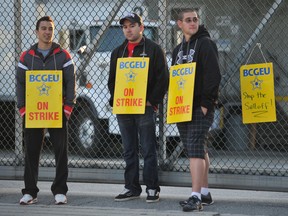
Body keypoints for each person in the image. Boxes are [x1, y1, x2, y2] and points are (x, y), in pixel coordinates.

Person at [108, 13, 169, 203]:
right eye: (125, 27)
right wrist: (116, 98)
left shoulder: (153, 49)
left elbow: (163, 78)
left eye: (132, 25)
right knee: (129, 149)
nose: (128, 29)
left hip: (145, 108)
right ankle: (131, 188)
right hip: (124, 107)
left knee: (148, 148)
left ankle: (152, 188)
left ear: (141, 28)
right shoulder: (118, 52)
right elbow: (112, 80)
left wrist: (152, 100)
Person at [16, 16, 76, 205]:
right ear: (37, 31)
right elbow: (20, 84)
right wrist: (23, 108)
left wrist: (67, 108)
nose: (47, 32)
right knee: (31, 152)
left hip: (57, 112)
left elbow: (70, 83)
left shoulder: (63, 55)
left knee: (61, 152)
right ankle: (30, 192)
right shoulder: (26, 56)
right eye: (43, 28)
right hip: (34, 112)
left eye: (50, 28)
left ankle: (59, 190)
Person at [171, 9, 221, 212]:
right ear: (179, 24)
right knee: (198, 149)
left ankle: (195, 196)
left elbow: (213, 75)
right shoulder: (177, 50)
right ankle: (205, 193)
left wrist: (206, 103)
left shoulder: (206, 44)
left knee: (194, 148)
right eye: (188, 20)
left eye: (195, 20)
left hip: (200, 105)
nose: (193, 23)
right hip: (181, 106)